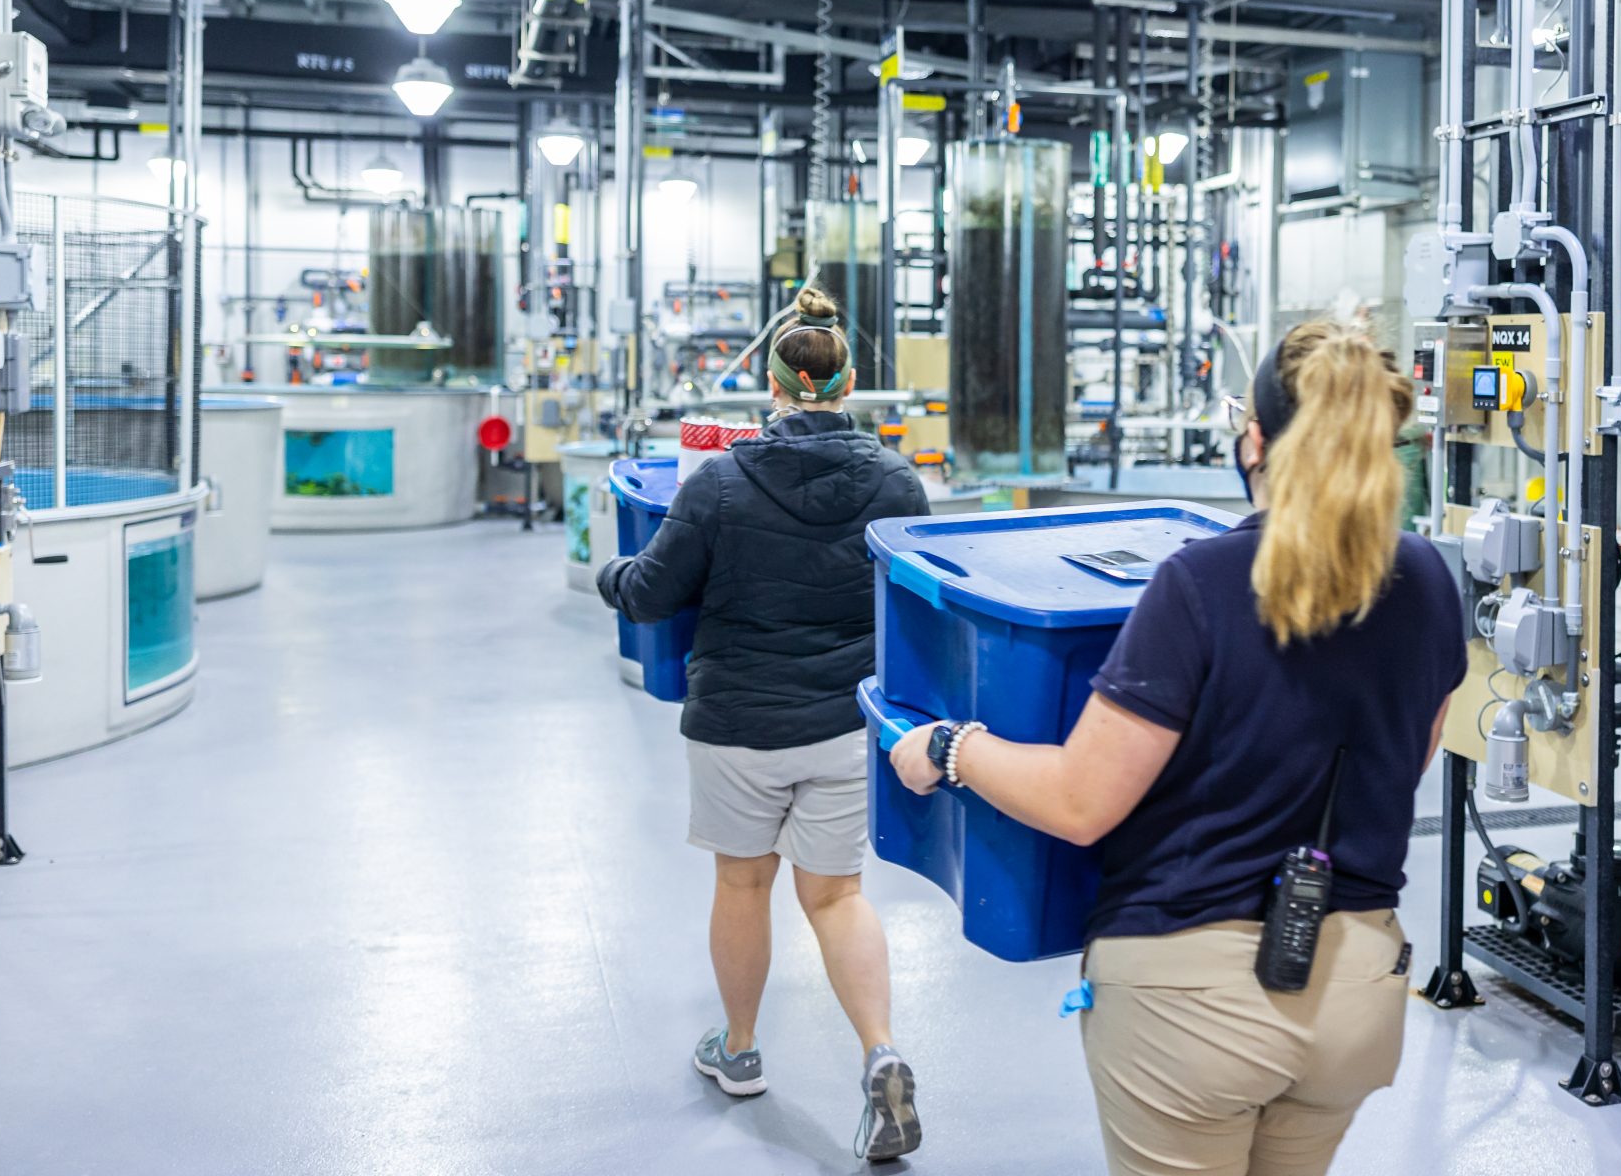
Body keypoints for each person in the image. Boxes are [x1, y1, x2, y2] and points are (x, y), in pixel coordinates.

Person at [890, 320, 1466, 1176]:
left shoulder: (1200, 585)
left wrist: (948, 748)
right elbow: (1407, 758)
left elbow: (1081, 803)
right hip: (1354, 990)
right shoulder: (1426, 579)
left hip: (1192, 1005)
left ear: (1258, 441)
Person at [598, 284, 931, 1162]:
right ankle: (881, 1051)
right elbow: (914, 602)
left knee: (745, 885)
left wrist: (610, 571)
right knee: (837, 894)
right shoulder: (898, 480)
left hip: (738, 724)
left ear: (772, 387)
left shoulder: (717, 483)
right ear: (850, 381)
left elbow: (649, 593)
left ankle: (738, 1050)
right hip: (842, 721)